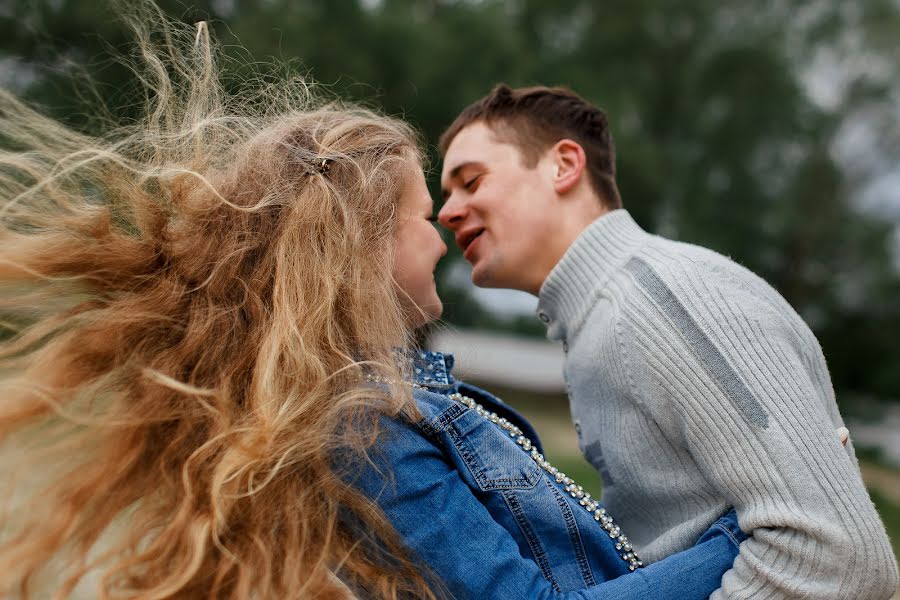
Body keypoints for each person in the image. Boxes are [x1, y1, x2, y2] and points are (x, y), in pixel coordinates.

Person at [0, 12, 750, 600]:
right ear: (361, 250)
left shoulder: (393, 404)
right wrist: (750, 534)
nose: (443, 234)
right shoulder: (364, 432)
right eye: (425, 216)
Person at [436, 84, 899, 599]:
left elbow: (838, 558)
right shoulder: (604, 316)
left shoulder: (661, 299)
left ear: (563, 165)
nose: (447, 211)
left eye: (471, 181)